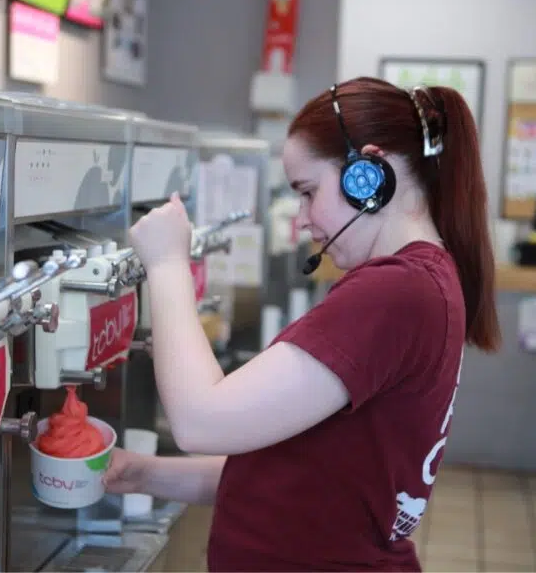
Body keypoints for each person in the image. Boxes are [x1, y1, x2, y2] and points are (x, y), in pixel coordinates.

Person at [107, 76, 501, 572]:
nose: (303, 220)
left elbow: (197, 420)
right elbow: (291, 470)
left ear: (369, 174)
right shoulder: (421, 283)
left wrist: (166, 264)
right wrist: (146, 474)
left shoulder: (397, 292)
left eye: (308, 192)